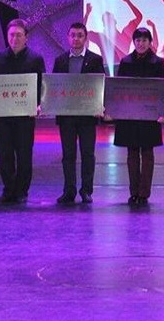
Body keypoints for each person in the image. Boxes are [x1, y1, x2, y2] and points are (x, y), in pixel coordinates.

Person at [0, 19, 45, 204]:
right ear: (7, 36)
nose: (15, 39)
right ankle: (8, 190)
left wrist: (39, 104)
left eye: (19, 35)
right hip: (2, 117)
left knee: (24, 154)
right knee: (5, 154)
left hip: (25, 117)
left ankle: (22, 191)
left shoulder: (35, 59)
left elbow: (42, 86)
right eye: (11, 35)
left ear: (26, 37)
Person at [51, 21, 108, 204]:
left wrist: (100, 106)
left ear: (85, 38)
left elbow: (101, 86)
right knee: (68, 155)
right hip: (66, 117)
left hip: (87, 117)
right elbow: (53, 87)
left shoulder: (95, 60)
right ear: (68, 37)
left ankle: (86, 191)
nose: (76, 39)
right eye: (73, 35)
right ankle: (69, 191)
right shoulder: (60, 60)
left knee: (88, 154)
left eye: (80, 35)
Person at [114, 27, 164, 205]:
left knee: (148, 153)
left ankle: (144, 193)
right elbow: (119, 89)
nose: (141, 44)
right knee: (132, 154)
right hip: (130, 114)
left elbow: (161, 90)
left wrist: (161, 112)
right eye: (138, 40)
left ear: (150, 42)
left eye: (144, 40)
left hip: (150, 115)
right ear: (133, 42)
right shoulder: (126, 62)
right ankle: (133, 192)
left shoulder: (158, 62)